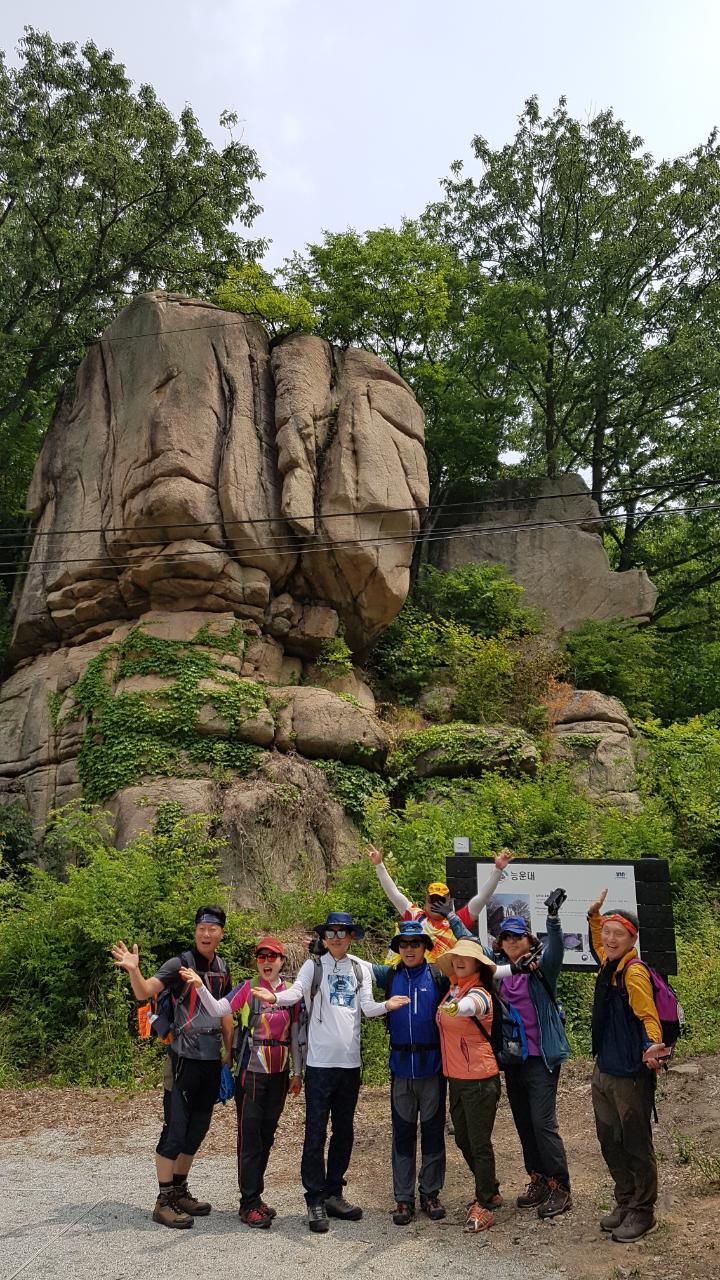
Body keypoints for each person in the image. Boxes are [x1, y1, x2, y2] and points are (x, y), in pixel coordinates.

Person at [253, 910, 410, 1233]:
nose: (336, 938)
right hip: (319, 1065)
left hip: (350, 1065)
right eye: (331, 933)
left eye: (342, 932)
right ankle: (314, 1198)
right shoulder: (313, 966)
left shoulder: (358, 969)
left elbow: (367, 1008)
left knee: (344, 1131)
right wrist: (275, 997)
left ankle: (334, 1192)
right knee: (315, 1131)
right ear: (324, 938)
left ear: (351, 937)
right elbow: (296, 992)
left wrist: (387, 1005)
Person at [111, 906, 233, 1229]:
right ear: (195, 931)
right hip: (181, 1061)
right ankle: (163, 1201)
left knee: (197, 1129)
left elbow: (225, 1011)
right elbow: (145, 991)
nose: (206, 934)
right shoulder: (179, 964)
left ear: (221, 933)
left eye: (212, 928)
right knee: (176, 1130)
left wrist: (229, 1052)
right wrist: (134, 971)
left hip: (210, 1061)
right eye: (201, 928)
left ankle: (179, 1190)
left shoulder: (222, 968)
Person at [179, 935, 302, 1229]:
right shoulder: (247, 988)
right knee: (250, 1139)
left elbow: (297, 1034)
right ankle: (248, 1203)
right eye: (261, 957)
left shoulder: (290, 993)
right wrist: (200, 986)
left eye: (272, 957)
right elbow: (218, 1009)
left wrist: (297, 1073)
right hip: (251, 1074)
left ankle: (255, 1197)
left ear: (282, 961)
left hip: (280, 1073)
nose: (267, 962)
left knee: (267, 1137)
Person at [587, 888, 667, 1243]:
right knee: (609, 1139)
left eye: (618, 933)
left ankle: (643, 1211)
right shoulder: (609, 963)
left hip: (630, 1074)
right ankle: (625, 1200)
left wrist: (651, 1047)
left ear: (632, 939)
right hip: (604, 1068)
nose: (609, 938)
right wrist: (594, 916)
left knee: (635, 1142)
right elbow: (596, 942)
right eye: (607, 932)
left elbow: (648, 1017)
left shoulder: (632, 973)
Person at [494, 902, 572, 1217]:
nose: (512, 942)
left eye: (518, 936)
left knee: (543, 1123)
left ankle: (561, 1187)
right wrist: (451, 919)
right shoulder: (499, 973)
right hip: (514, 1059)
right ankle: (538, 1179)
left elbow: (557, 950)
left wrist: (553, 918)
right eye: (507, 937)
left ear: (529, 940)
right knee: (525, 1123)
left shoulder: (541, 969)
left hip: (542, 1058)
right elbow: (469, 953)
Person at [372, 920, 451, 1226]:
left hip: (433, 1067)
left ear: (425, 948)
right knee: (403, 1134)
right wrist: (322, 950)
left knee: (432, 1132)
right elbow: (355, 965)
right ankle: (403, 1198)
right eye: (403, 944)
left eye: (415, 943)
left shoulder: (438, 976)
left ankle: (430, 1193)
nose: (409, 949)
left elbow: (478, 964)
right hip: (401, 1067)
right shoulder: (390, 976)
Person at [435, 938, 501, 1234]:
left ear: (477, 964)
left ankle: (485, 1202)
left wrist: (457, 1008)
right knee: (463, 1138)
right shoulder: (453, 988)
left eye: (467, 957)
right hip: (456, 1077)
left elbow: (472, 1006)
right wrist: (453, 1003)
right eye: (456, 957)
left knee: (479, 1142)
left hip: (479, 1078)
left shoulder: (478, 993)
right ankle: (490, 1187)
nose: (460, 961)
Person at [367, 845, 514, 962]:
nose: (435, 904)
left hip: (446, 980)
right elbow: (393, 893)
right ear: (426, 900)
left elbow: (482, 897)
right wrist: (379, 865)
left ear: (449, 901)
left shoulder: (457, 921)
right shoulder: (415, 916)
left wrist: (498, 870)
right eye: (432, 900)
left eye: (441, 900)